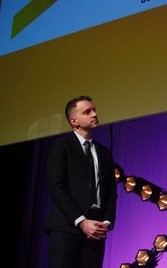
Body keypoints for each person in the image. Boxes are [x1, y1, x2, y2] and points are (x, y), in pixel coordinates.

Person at [45, 96, 117, 268]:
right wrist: (81, 221)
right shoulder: (61, 146)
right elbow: (57, 187)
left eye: (94, 110)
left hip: (95, 231)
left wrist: (106, 222)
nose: (94, 114)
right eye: (87, 111)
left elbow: (110, 192)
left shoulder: (104, 152)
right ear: (74, 121)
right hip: (67, 228)